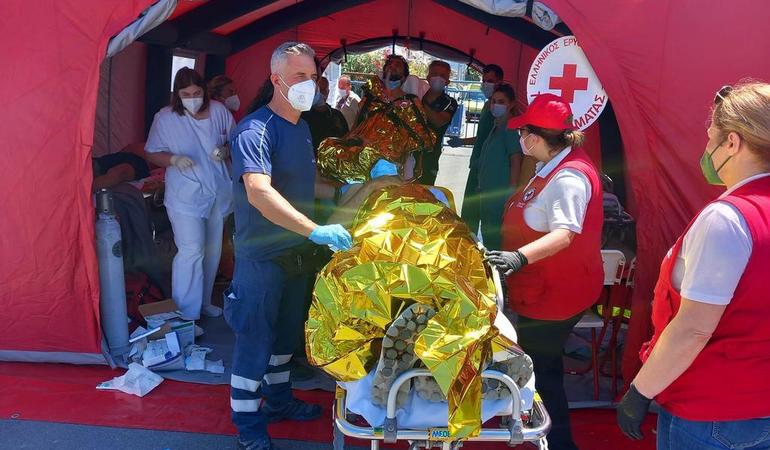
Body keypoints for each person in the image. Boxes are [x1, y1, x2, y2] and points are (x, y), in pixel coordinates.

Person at [617, 82, 770, 449]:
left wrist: (640, 391)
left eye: (711, 138)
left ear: (732, 143)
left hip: (712, 411)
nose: (706, 149)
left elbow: (693, 329)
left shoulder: (728, 219)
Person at [226, 41, 353, 450]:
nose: (309, 84)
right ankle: (248, 427)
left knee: (285, 339)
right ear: (276, 80)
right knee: (254, 341)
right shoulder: (254, 129)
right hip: (263, 257)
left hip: (296, 255)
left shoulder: (299, 128)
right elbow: (260, 192)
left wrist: (352, 187)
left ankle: (279, 401)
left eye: (313, 76)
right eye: (300, 76)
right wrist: (315, 230)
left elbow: (297, 182)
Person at [485, 93, 604, 450]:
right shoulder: (550, 167)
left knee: (543, 370)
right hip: (541, 287)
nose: (521, 140)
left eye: (523, 134)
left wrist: (517, 258)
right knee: (537, 363)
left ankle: (558, 440)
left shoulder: (569, 178)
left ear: (535, 139)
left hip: (558, 293)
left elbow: (564, 234)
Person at [144, 67, 233, 323]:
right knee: (191, 249)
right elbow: (151, 152)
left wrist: (225, 151)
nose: (192, 97)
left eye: (196, 92)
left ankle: (203, 303)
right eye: (186, 93)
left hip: (217, 190)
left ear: (204, 90)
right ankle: (185, 314)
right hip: (185, 195)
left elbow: (235, 139)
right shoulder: (166, 118)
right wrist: (172, 159)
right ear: (177, 94)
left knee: (212, 249)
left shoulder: (218, 111)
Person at [451, 64, 505, 233]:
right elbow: (482, 137)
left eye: (490, 81)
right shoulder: (487, 106)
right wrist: (462, 141)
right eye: (484, 80)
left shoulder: (500, 112)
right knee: (470, 211)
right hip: (477, 164)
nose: (486, 84)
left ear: (500, 82)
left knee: (486, 213)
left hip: (490, 169)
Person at [468, 84, 522, 250]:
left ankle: (499, 275)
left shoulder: (510, 128)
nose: (495, 105)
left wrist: (511, 192)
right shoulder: (497, 126)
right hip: (488, 195)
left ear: (511, 104)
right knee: (488, 237)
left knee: (495, 241)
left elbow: (516, 159)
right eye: (493, 101)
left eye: (501, 101)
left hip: (499, 198)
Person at [418, 60, 459, 185]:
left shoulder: (450, 102)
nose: (438, 78)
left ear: (447, 81)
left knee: (425, 193)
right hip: (409, 154)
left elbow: (439, 121)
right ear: (428, 77)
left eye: (442, 76)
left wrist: (418, 105)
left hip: (430, 156)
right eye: (435, 74)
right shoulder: (418, 94)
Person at [301, 76, 349, 151]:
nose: (320, 93)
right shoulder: (303, 117)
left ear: (328, 92)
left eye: (323, 90)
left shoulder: (337, 116)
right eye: (317, 90)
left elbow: (346, 139)